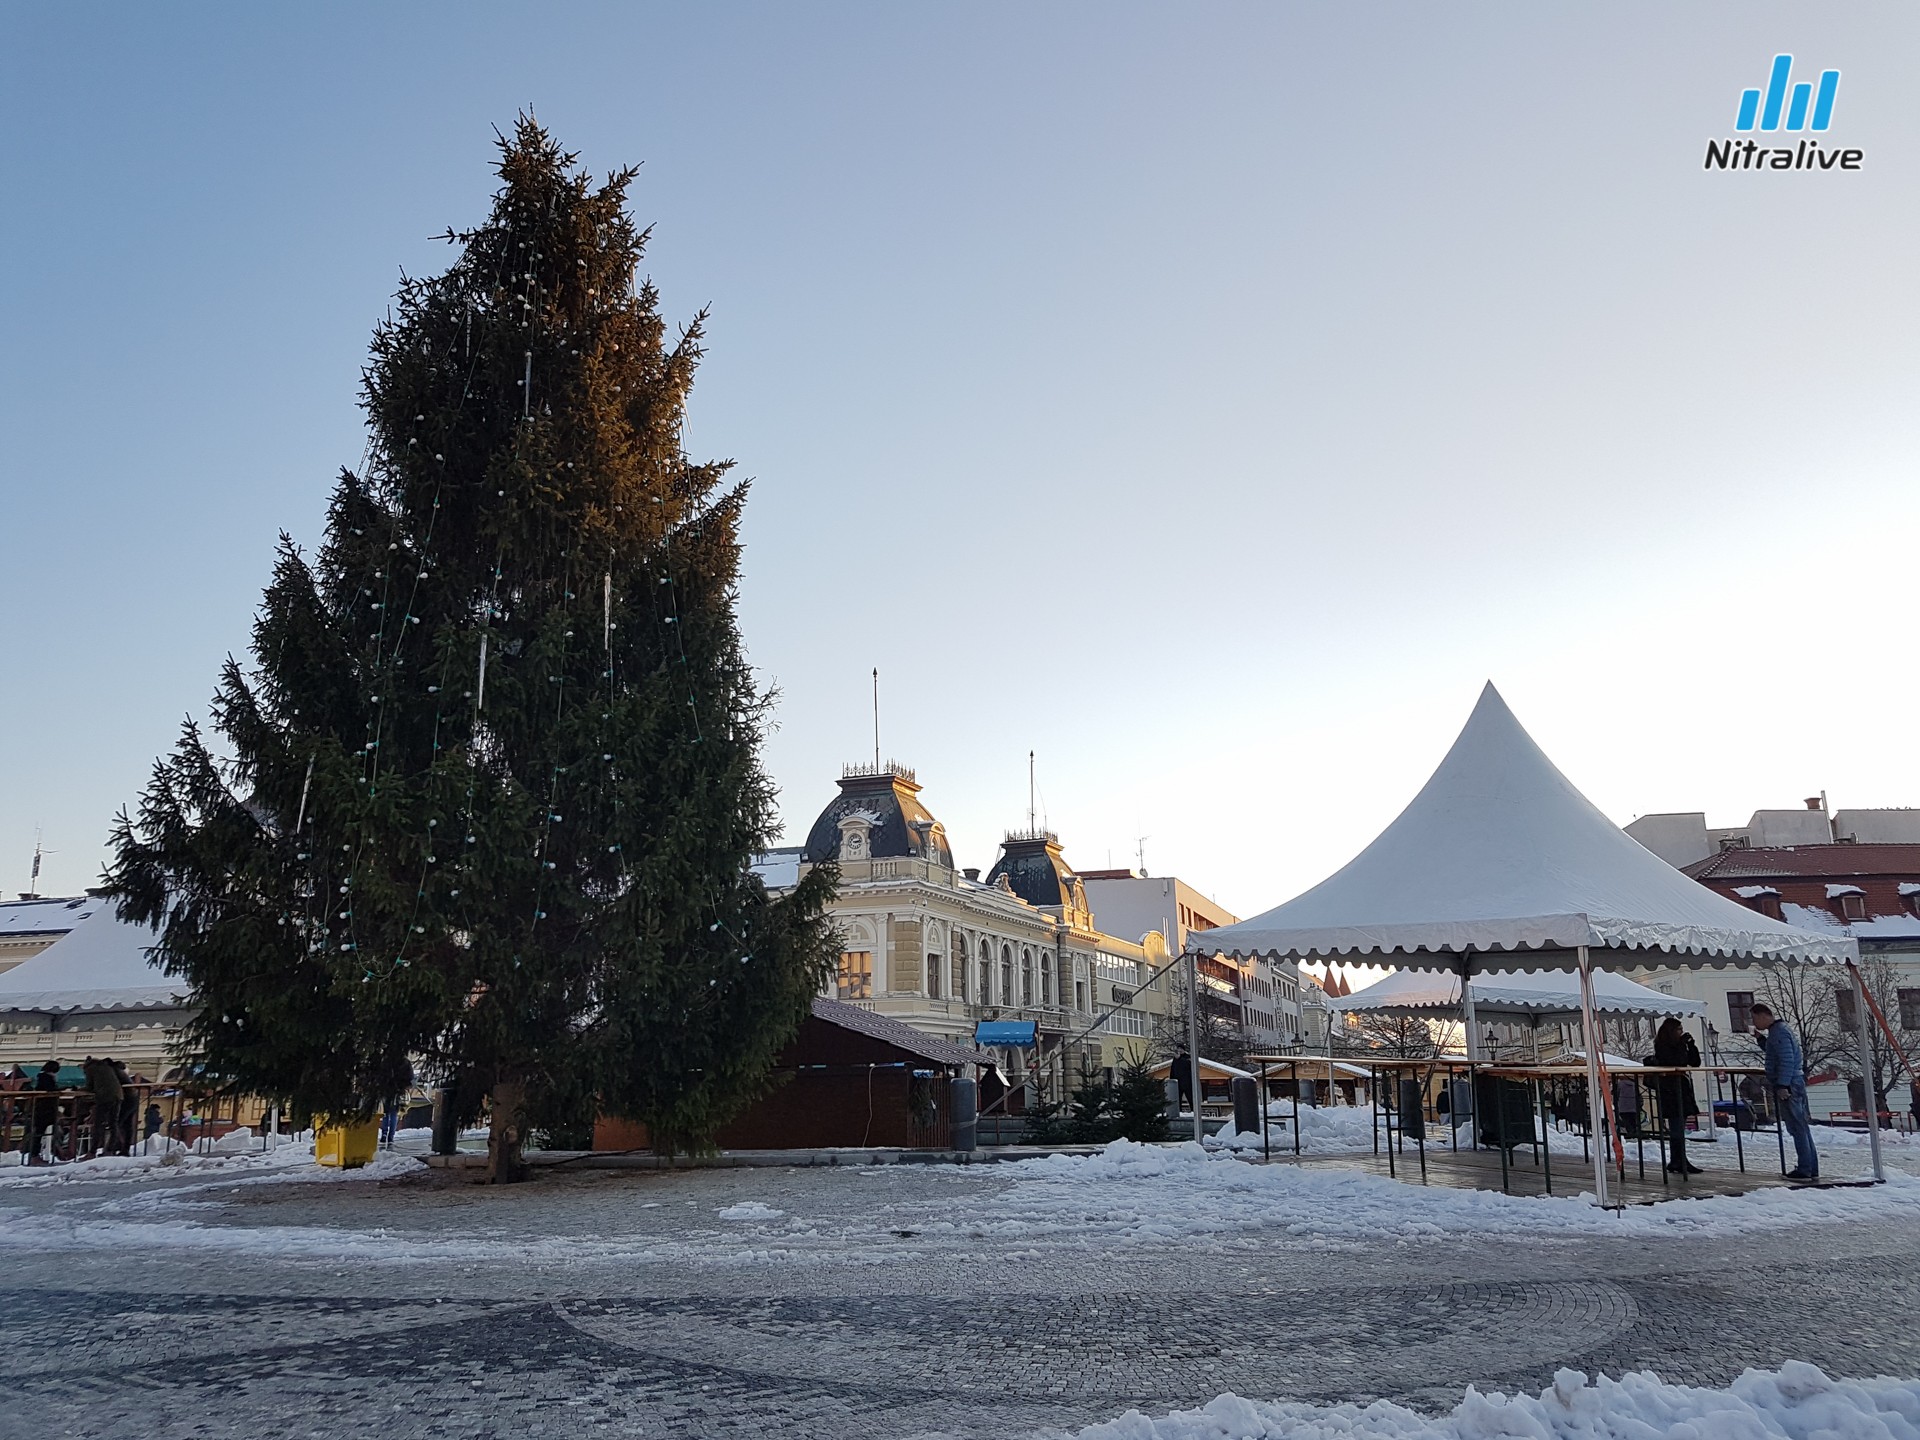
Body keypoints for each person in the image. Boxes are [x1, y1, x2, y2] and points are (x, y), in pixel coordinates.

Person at [1750, 1002, 1818, 1181]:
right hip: (1794, 1081)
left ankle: (1805, 1169)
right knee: (1801, 1126)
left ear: (1763, 1016)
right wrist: (1760, 1039)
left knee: (1797, 1126)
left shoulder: (1778, 1032)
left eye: (1754, 1018)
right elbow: (1776, 1052)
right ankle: (1811, 1167)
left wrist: (1782, 1085)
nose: (1754, 1022)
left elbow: (1786, 1060)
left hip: (1790, 1084)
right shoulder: (1779, 1031)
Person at [1652, 1017, 1703, 1174]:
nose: (1681, 1032)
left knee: (1679, 1124)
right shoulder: (1663, 1046)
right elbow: (1677, 1061)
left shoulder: (1679, 1045)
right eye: (1679, 1030)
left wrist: (1691, 1045)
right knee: (1676, 1125)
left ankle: (1679, 1159)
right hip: (1671, 1090)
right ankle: (1678, 1160)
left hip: (1680, 1087)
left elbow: (1695, 1062)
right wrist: (1682, 1045)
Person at [83, 1055, 124, 1158]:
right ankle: (110, 1149)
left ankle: (92, 1151)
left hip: (105, 1097)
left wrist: (78, 1089)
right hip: (118, 1096)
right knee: (113, 1123)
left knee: (98, 1125)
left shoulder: (90, 1069)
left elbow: (89, 1087)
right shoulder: (106, 1067)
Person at [27, 1060, 61, 1164]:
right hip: (44, 1109)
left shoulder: (43, 1077)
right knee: (40, 1132)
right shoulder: (46, 1078)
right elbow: (51, 1089)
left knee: (41, 1132)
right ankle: (35, 1155)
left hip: (45, 1109)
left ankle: (37, 1155)